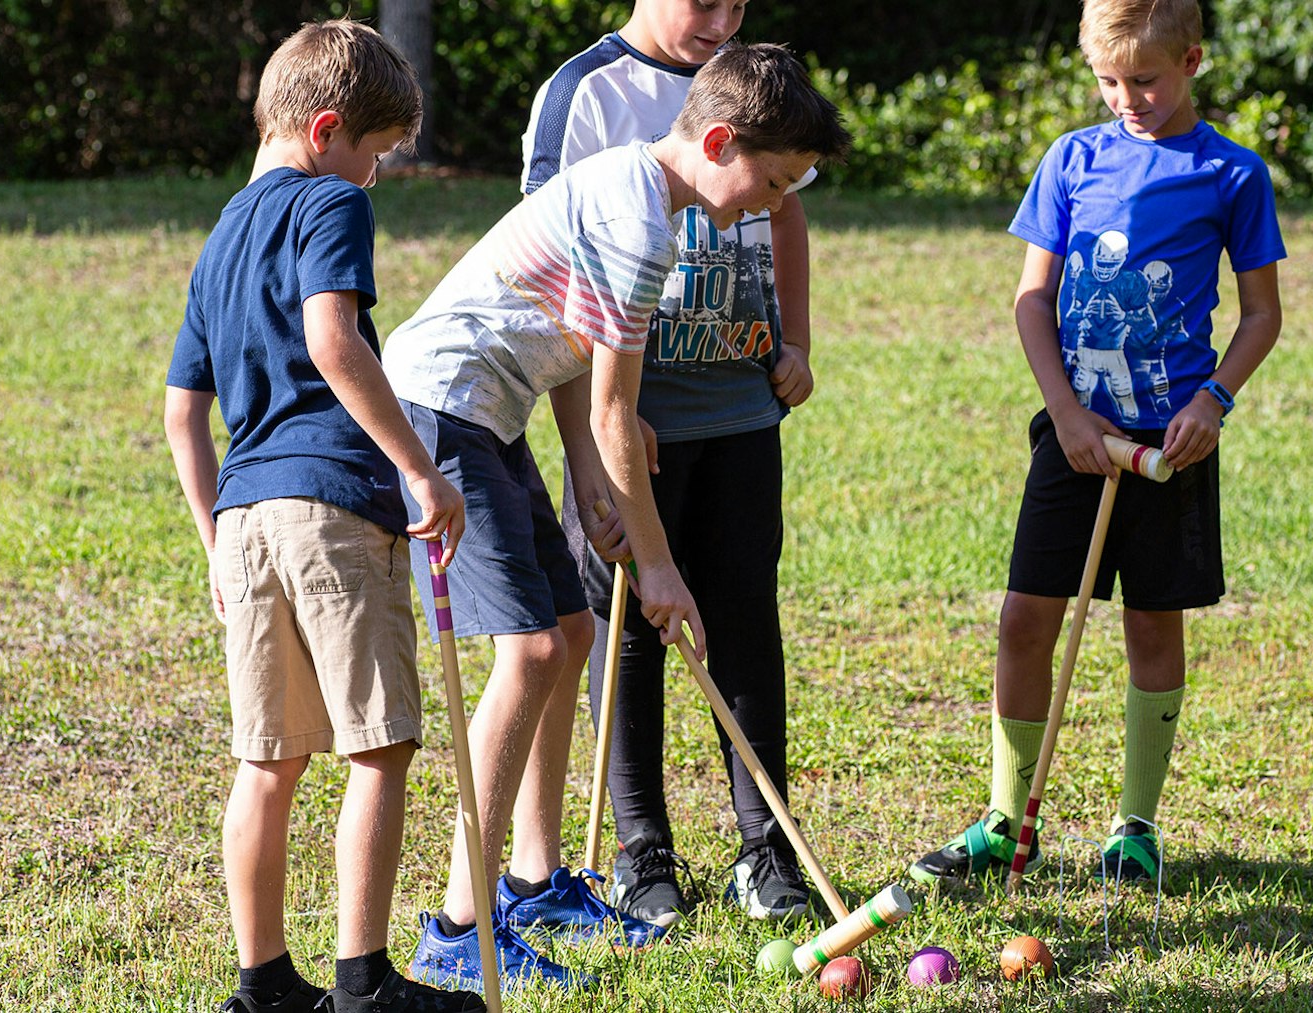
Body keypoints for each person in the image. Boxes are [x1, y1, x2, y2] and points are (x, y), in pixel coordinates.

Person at [383, 42, 851, 988]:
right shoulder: (645, 224)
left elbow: (565, 351)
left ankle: (530, 880)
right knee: (539, 650)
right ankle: (455, 929)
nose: (769, 205)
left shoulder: (635, 188)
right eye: (767, 181)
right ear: (717, 140)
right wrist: (662, 563)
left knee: (566, 622)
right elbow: (612, 410)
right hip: (442, 409)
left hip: (490, 408)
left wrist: (595, 483)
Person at [908, 0, 1285, 887]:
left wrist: (1214, 398)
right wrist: (1067, 416)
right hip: (1073, 436)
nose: (1128, 99)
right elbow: (1032, 299)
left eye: (1146, 80)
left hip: (1170, 446)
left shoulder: (1232, 175)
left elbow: (1262, 314)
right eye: (1110, 82)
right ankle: (1005, 821)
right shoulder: (1072, 159)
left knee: (1153, 624)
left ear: (1192, 59)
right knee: (1024, 618)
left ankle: (1137, 826)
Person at [164, 20, 481, 1013]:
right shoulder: (330, 201)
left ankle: (261, 988)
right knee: (378, 744)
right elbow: (334, 340)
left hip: (249, 517)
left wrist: (217, 540)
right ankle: (364, 984)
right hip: (336, 507)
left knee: (268, 758)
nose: (376, 177)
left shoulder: (219, 235)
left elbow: (183, 411)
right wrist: (419, 471)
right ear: (329, 130)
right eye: (379, 154)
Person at [520, 0, 821, 929]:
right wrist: (604, 428)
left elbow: (788, 215)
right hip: (627, 420)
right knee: (631, 627)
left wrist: (797, 339)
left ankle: (766, 848)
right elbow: (551, 257)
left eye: (738, 2)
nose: (722, 19)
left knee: (742, 614)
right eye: (706, 0)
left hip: (738, 406)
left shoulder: (752, 78)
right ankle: (641, 848)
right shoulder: (584, 93)